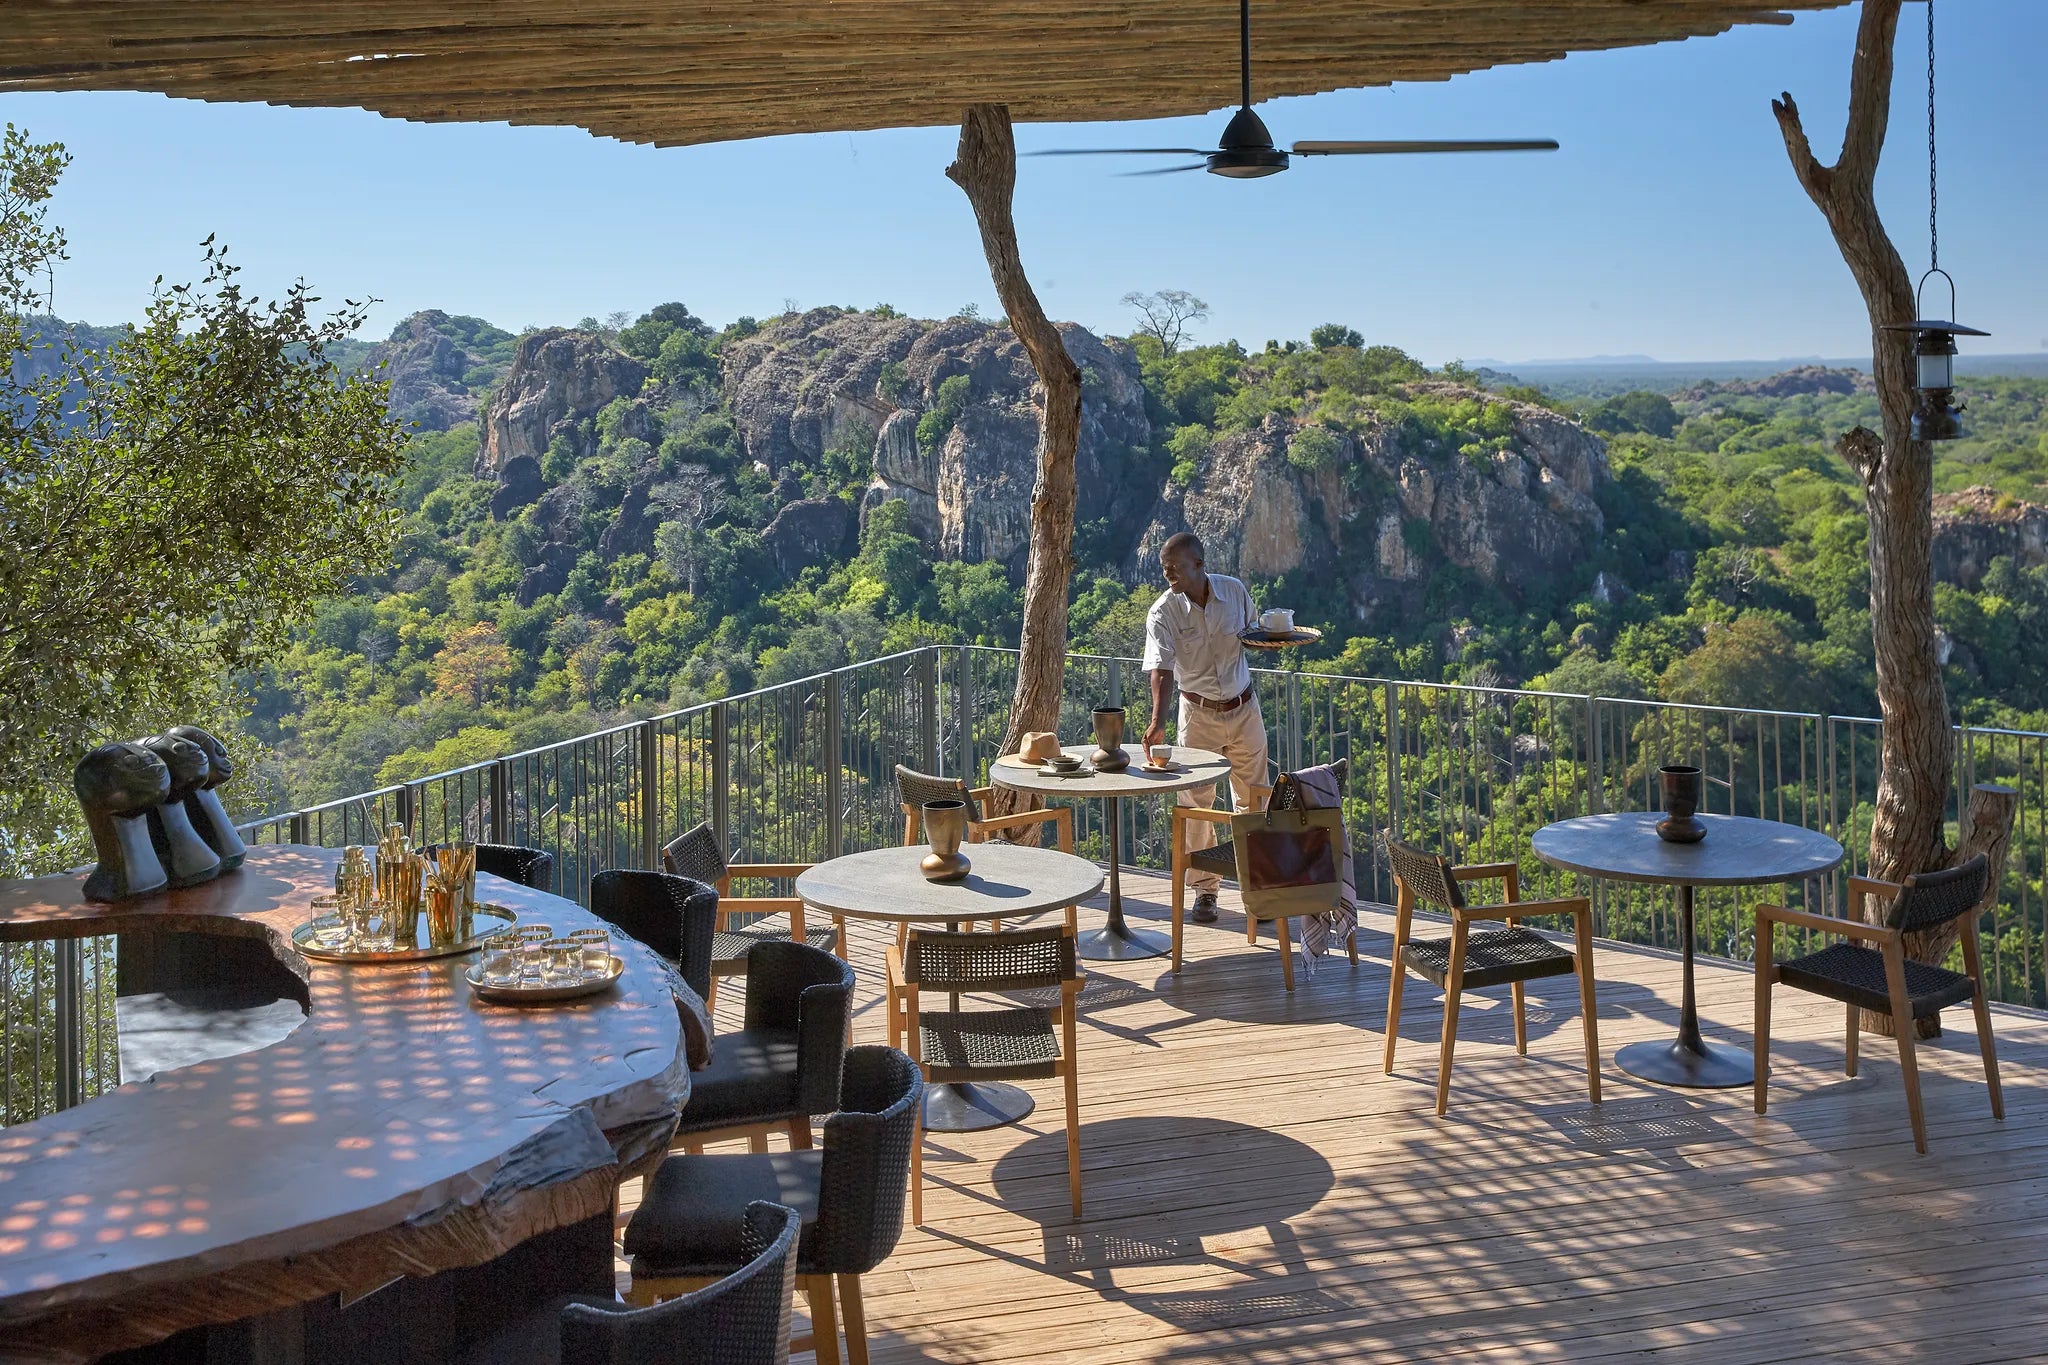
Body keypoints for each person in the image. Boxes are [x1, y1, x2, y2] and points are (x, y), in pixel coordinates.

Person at [1140, 531, 1270, 924]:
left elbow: (1253, 634)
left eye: (1175, 568)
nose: (1169, 575)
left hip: (1244, 709)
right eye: (1165, 569)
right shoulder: (1163, 612)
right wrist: (1157, 722)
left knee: (1255, 799)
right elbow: (1161, 668)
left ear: (1198, 564)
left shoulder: (1233, 591)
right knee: (1196, 804)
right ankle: (1206, 891)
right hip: (1197, 716)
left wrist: (1274, 638)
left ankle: (1257, 887)